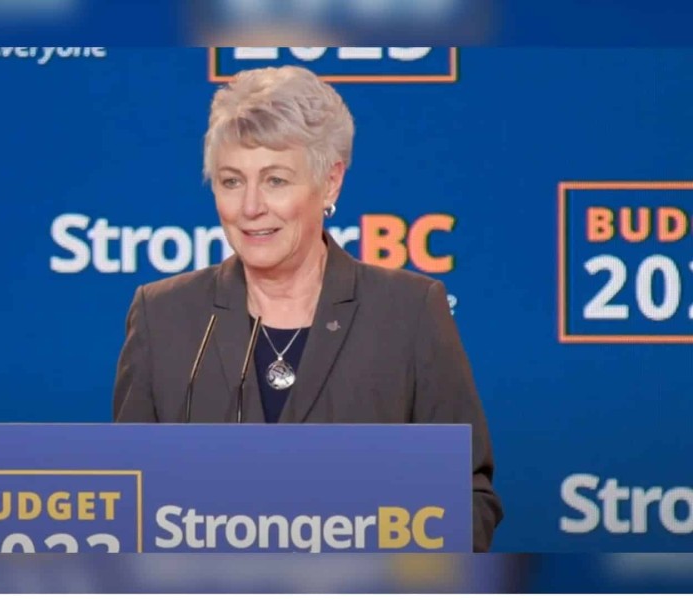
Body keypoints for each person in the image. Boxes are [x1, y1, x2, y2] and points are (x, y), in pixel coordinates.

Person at [113, 65, 503, 551]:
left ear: (331, 182)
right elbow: (125, 501)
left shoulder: (409, 312)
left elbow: (468, 500)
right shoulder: (163, 315)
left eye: (275, 180)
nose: (250, 207)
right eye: (231, 182)